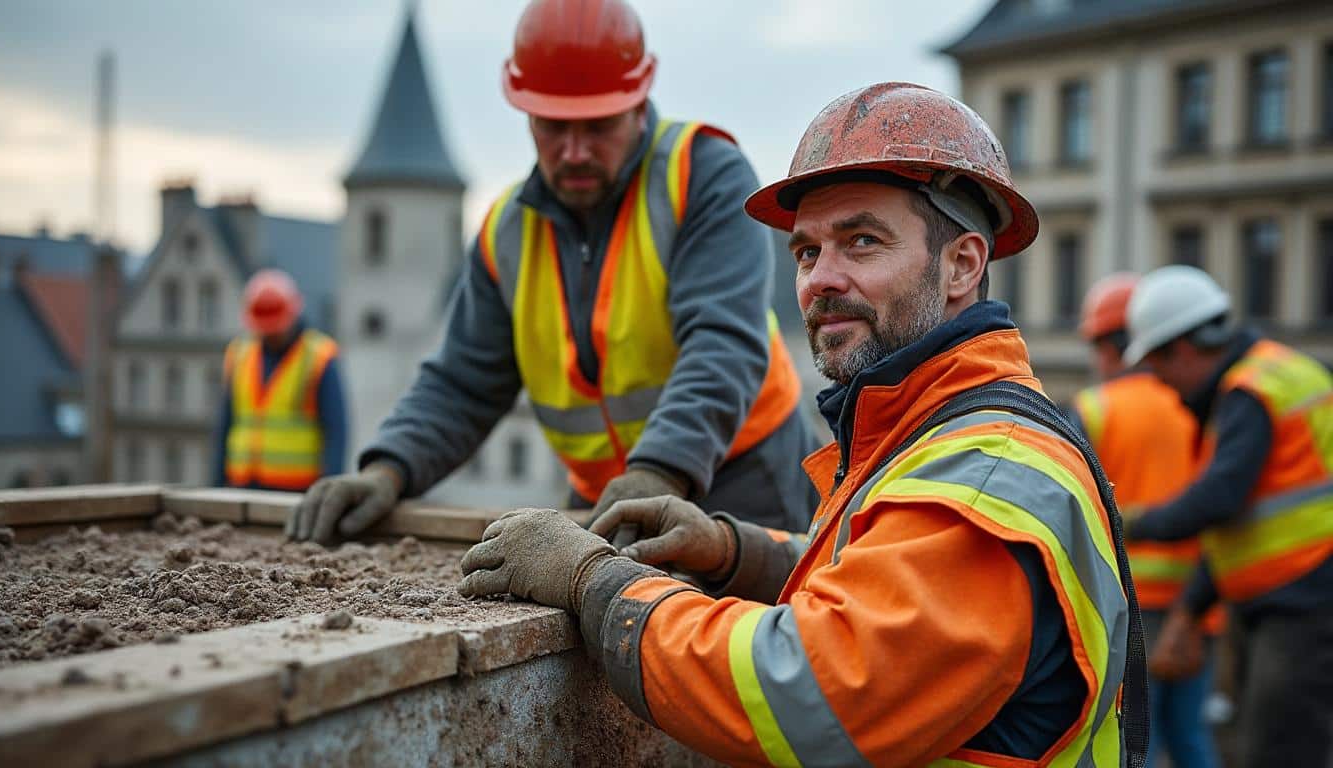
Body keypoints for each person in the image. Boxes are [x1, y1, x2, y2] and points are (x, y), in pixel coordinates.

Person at [457, 82, 1143, 767]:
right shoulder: (930, 431)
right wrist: (732, 552)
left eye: (862, 241)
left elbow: (810, 694)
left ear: (962, 264)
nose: (821, 279)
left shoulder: (983, 478)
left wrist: (591, 579)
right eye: (807, 252)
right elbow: (878, 577)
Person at [285, 0, 816, 544]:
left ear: (639, 104)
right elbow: (463, 383)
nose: (574, 151)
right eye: (554, 128)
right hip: (610, 494)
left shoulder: (701, 177)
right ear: (527, 115)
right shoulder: (507, 232)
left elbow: (722, 343)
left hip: (747, 479)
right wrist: (388, 468)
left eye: (598, 126)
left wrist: (657, 470)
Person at [1122, 264, 1333, 768]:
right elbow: (1243, 527)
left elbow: (1217, 501)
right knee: (1246, 742)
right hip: (1283, 599)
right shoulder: (1268, 376)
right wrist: (1192, 610)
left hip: (1303, 604)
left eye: (1158, 366)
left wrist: (1122, 521)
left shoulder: (1249, 392)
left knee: (1277, 750)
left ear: (1185, 349)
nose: (1161, 385)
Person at [1070, 273, 1220, 768]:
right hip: (1199, 605)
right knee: (1192, 735)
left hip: (1128, 610)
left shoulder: (1095, 408)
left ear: (1109, 344)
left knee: (1139, 741)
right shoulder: (1200, 405)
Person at [213, 268, 347, 491]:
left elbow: (336, 433)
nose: (270, 335)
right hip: (242, 485)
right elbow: (225, 424)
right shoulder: (239, 354)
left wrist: (327, 492)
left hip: (296, 490)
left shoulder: (319, 356)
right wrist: (215, 487)